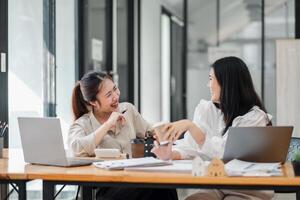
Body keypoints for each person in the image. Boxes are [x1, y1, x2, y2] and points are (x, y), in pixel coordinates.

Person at [152, 56, 273, 200]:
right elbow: (193, 147)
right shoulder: (206, 109)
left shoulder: (255, 117)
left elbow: (228, 153)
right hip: (215, 185)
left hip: (247, 188)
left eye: (211, 79)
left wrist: (191, 126)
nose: (207, 85)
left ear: (227, 83)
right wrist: (171, 154)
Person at [68, 71, 178, 200]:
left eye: (115, 89)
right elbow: (76, 148)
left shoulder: (127, 110)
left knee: (166, 183)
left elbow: (149, 130)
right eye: (109, 95)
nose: (116, 96)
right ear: (94, 102)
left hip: (132, 178)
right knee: (152, 185)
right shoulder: (82, 124)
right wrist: (108, 124)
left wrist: (164, 131)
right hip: (105, 187)